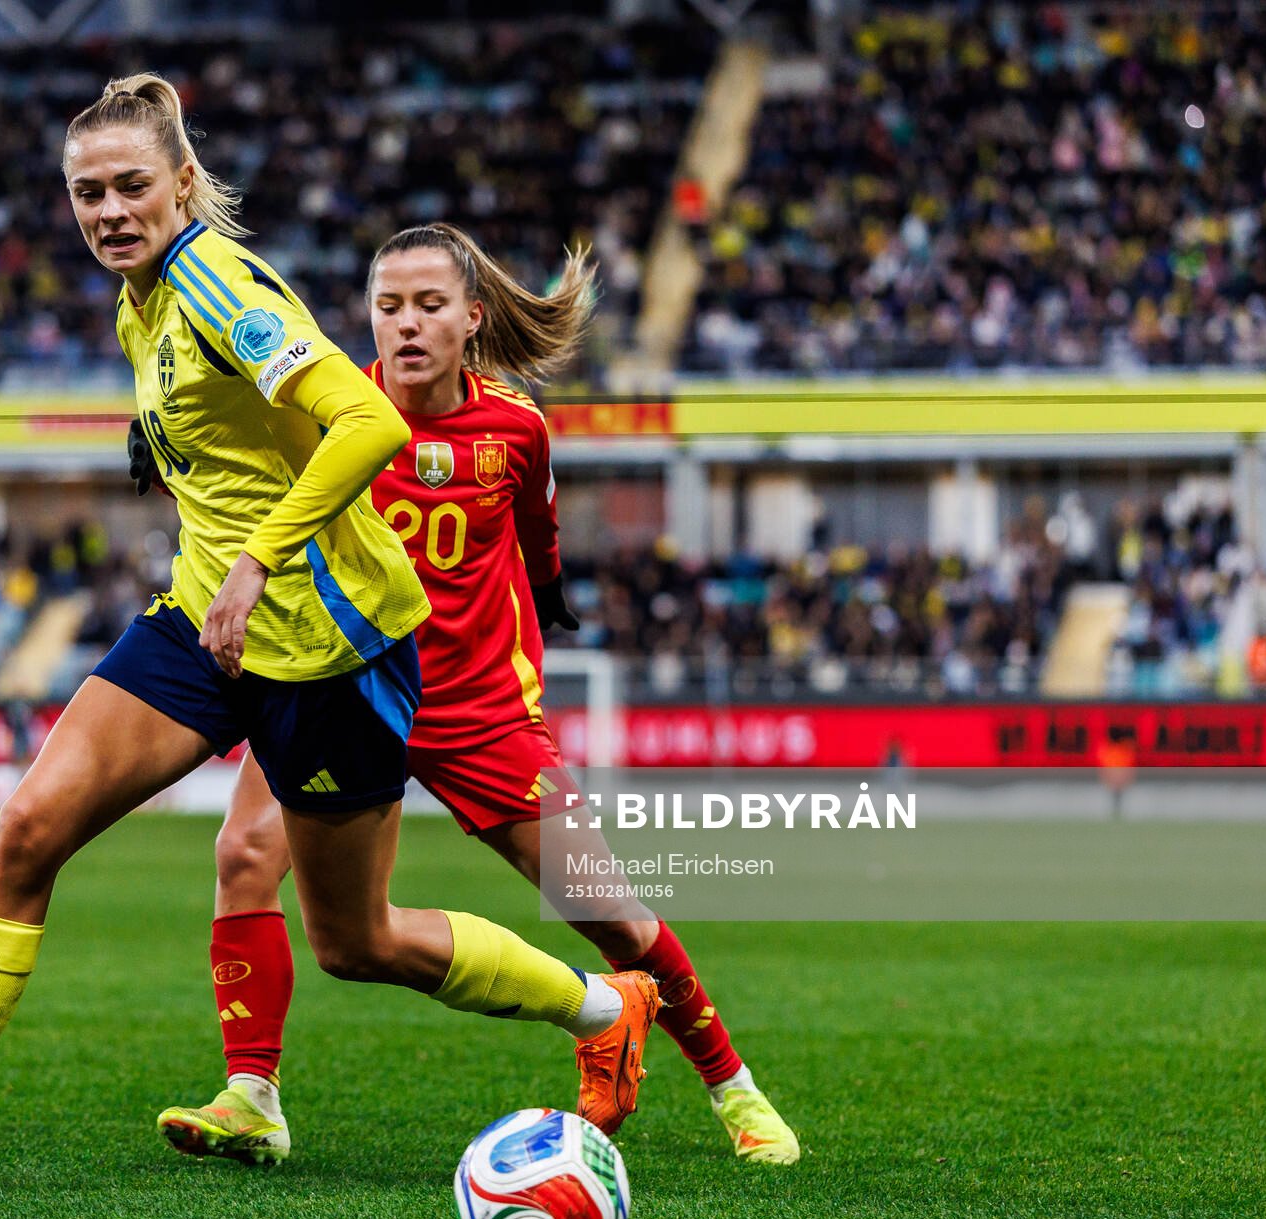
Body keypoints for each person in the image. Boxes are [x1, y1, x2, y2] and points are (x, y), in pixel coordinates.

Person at [0, 73, 661, 1191]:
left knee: (356, 942)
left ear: (184, 184)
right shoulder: (141, 300)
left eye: (129, 186)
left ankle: (605, 1003)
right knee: (28, 828)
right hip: (205, 626)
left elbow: (359, 420)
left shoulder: (215, 282)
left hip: (332, 642)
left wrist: (260, 556)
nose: (109, 211)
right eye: (86, 193)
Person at [146, 224, 800, 1168]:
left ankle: (735, 1090)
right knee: (243, 851)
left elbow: (536, 530)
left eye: (429, 305)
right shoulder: (327, 417)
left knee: (606, 908)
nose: (407, 325)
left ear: (472, 318)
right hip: (349, 683)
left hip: (479, 706)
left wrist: (552, 594)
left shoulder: (518, 426)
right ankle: (252, 1094)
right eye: (388, 307)